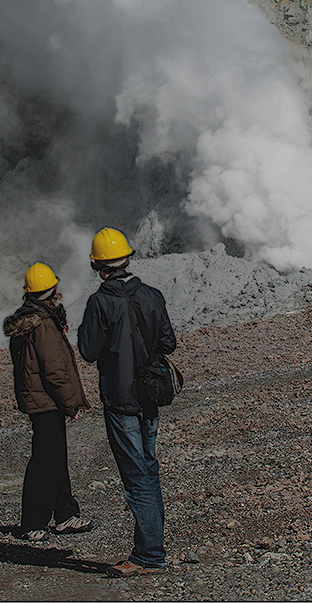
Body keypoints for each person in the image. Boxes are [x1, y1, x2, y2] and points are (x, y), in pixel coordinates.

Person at [77, 227, 176, 577]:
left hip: (121, 399)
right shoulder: (153, 295)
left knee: (138, 477)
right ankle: (149, 548)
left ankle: (150, 554)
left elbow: (87, 351)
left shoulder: (100, 302)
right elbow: (168, 343)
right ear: (128, 258)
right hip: (151, 396)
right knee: (148, 469)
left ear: (97, 265)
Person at [3, 262, 92, 541]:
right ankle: (33, 522)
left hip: (38, 399)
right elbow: (54, 369)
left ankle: (65, 514)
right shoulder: (43, 325)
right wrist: (70, 403)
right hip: (47, 401)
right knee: (45, 461)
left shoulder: (28, 319)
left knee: (54, 457)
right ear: (53, 289)